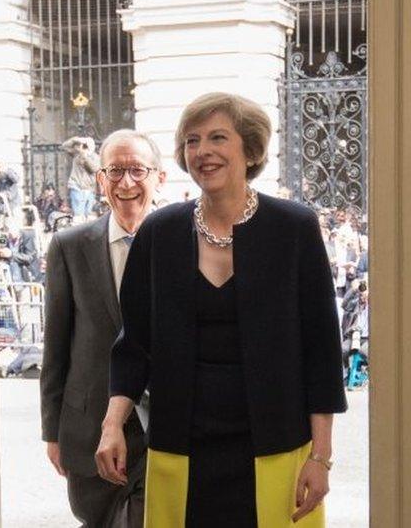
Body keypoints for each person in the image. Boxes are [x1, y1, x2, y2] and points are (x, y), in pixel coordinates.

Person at [96, 93, 347, 527]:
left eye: (217, 138)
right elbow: (134, 343)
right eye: (192, 141)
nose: (203, 152)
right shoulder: (159, 232)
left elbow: (321, 351)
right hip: (183, 445)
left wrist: (320, 458)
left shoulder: (294, 229)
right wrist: (112, 424)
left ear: (249, 150)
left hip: (276, 444)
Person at [41, 129, 166, 527]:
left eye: (137, 170)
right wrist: (53, 432)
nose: (126, 183)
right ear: (100, 179)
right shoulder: (69, 246)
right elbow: (56, 346)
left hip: (163, 431)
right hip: (88, 429)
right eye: (115, 171)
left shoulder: (183, 244)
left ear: (159, 177)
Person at [62, 136, 101, 221]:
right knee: (78, 216)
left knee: (89, 215)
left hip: (89, 189)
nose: (83, 148)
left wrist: (84, 156)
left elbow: (94, 169)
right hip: (76, 187)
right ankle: (79, 230)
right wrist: (75, 140)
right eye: (83, 146)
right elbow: (65, 146)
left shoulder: (95, 157)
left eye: (85, 146)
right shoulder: (76, 154)